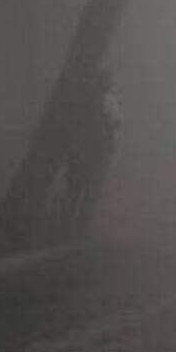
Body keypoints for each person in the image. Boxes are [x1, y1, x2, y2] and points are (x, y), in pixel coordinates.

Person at [60, 68, 120, 237]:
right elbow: (113, 128)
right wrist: (110, 146)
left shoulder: (86, 100)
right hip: (93, 155)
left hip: (83, 153)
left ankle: (69, 229)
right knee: (87, 193)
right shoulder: (109, 102)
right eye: (107, 81)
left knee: (77, 192)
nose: (108, 85)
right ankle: (77, 230)